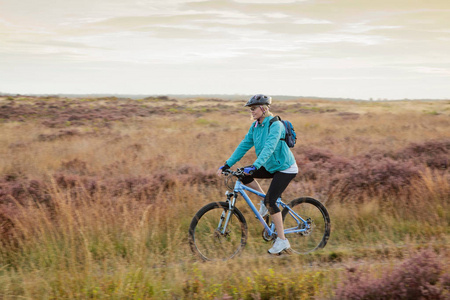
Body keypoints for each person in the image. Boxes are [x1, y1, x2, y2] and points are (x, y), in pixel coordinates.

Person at [217, 94, 298, 254]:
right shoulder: (255, 126)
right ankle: (264, 202)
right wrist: (227, 164)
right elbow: (244, 145)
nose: (252, 111)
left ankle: (282, 241)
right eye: (250, 109)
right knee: (244, 175)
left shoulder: (276, 125)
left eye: (254, 109)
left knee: (271, 200)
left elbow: (269, 148)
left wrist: (255, 166)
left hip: (285, 168)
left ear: (264, 108)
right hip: (270, 165)